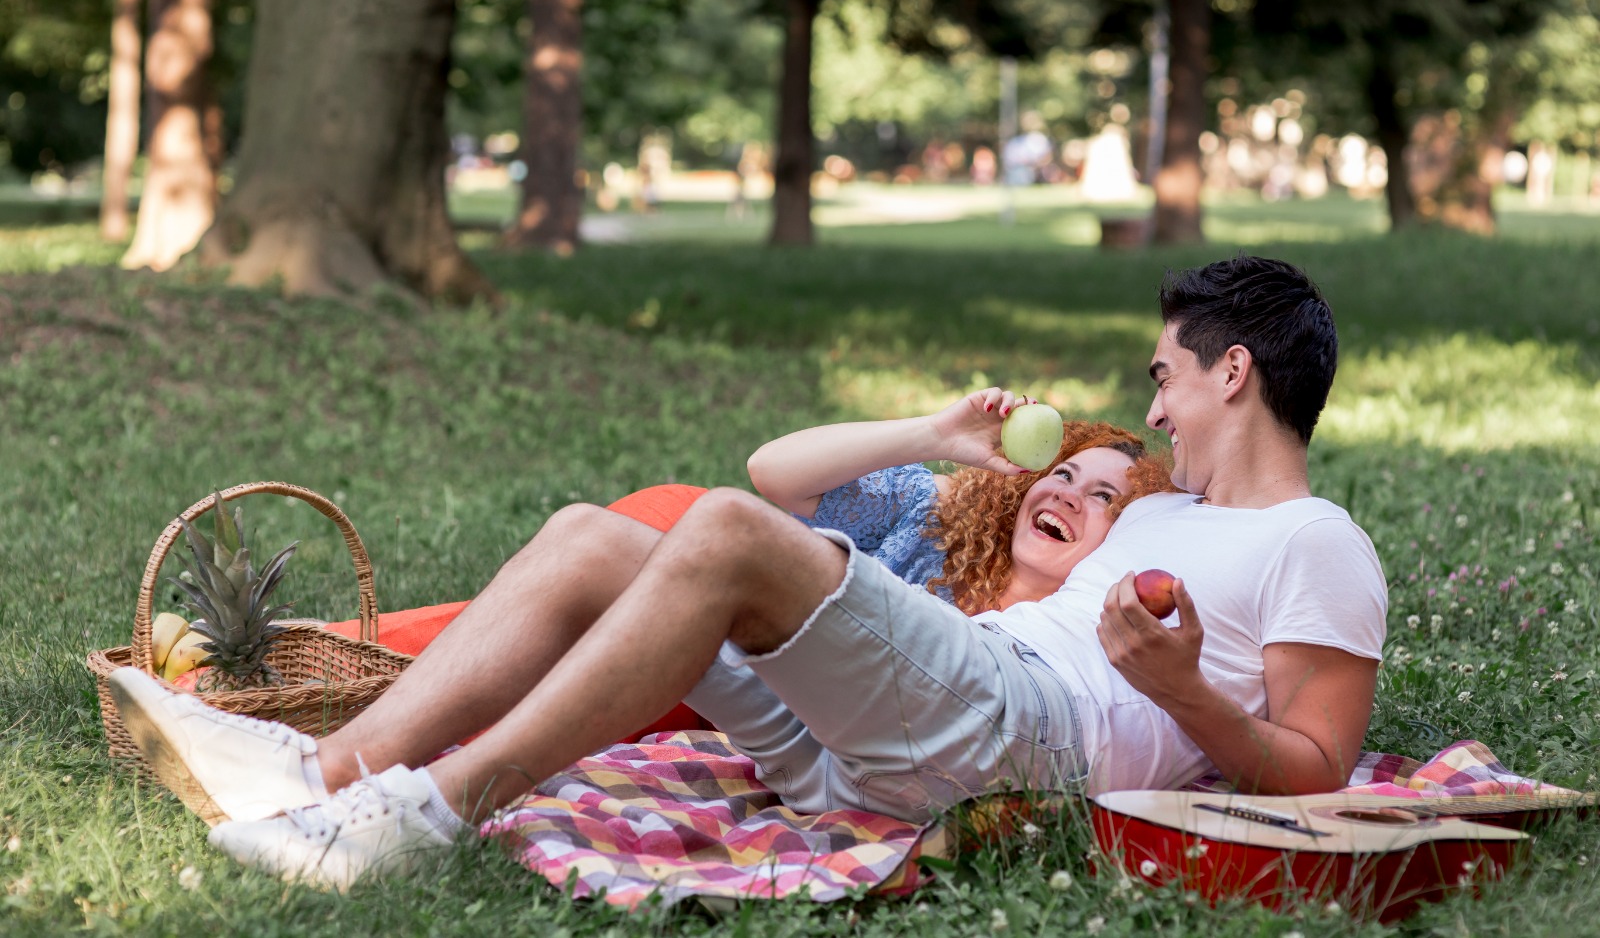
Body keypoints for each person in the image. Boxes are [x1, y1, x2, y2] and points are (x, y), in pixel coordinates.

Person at [110, 256, 1387, 893]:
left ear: (1233, 372)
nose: (1153, 409)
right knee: (593, 534)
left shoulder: (1315, 541)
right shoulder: (1160, 511)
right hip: (889, 745)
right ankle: (328, 771)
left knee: (719, 528)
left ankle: (426, 810)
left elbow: (1319, 768)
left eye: (1165, 375)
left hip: (1015, 727)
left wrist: (1182, 693)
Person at [750, 388, 1173, 613]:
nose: (1067, 494)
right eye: (1063, 474)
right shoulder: (935, 523)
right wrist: (936, 435)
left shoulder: (1077, 644)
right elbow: (772, 470)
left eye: (1104, 496)